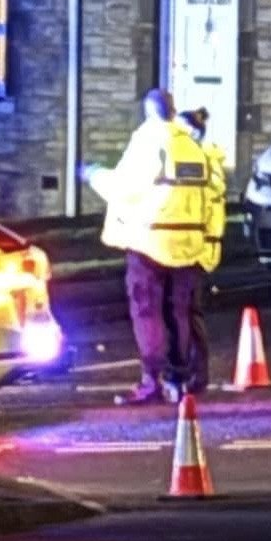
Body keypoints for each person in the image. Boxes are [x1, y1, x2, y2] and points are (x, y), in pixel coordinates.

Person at [82, 90, 209, 404]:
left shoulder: (149, 143)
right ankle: (179, 378)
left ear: (149, 111)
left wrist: (93, 174)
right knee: (179, 311)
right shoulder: (192, 148)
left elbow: (123, 188)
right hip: (188, 242)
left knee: (147, 310)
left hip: (150, 240)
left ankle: (153, 378)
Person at [179, 108, 228, 393]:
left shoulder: (203, 161)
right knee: (182, 310)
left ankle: (197, 374)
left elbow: (207, 206)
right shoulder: (197, 158)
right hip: (189, 244)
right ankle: (189, 372)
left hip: (195, 247)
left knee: (187, 310)